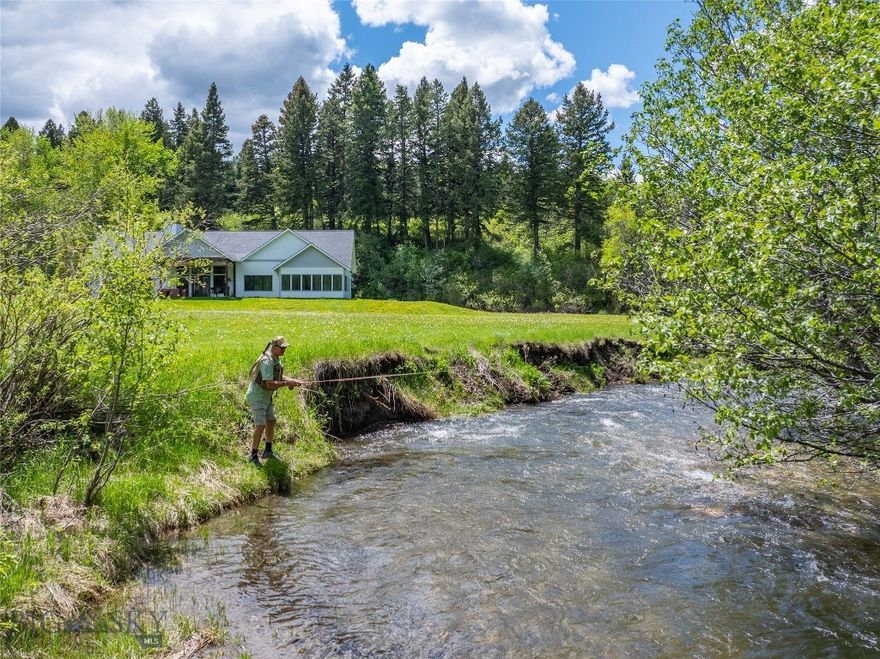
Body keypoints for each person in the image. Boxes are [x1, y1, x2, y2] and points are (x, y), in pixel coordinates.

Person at [246, 335, 302, 465]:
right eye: (282, 348)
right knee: (260, 425)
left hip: (266, 396)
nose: (284, 350)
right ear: (274, 347)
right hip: (257, 396)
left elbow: (279, 376)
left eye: (285, 348)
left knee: (271, 420)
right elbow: (269, 384)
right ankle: (253, 456)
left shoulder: (276, 358)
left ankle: (268, 451)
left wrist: (293, 381)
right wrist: (287, 384)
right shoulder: (266, 361)